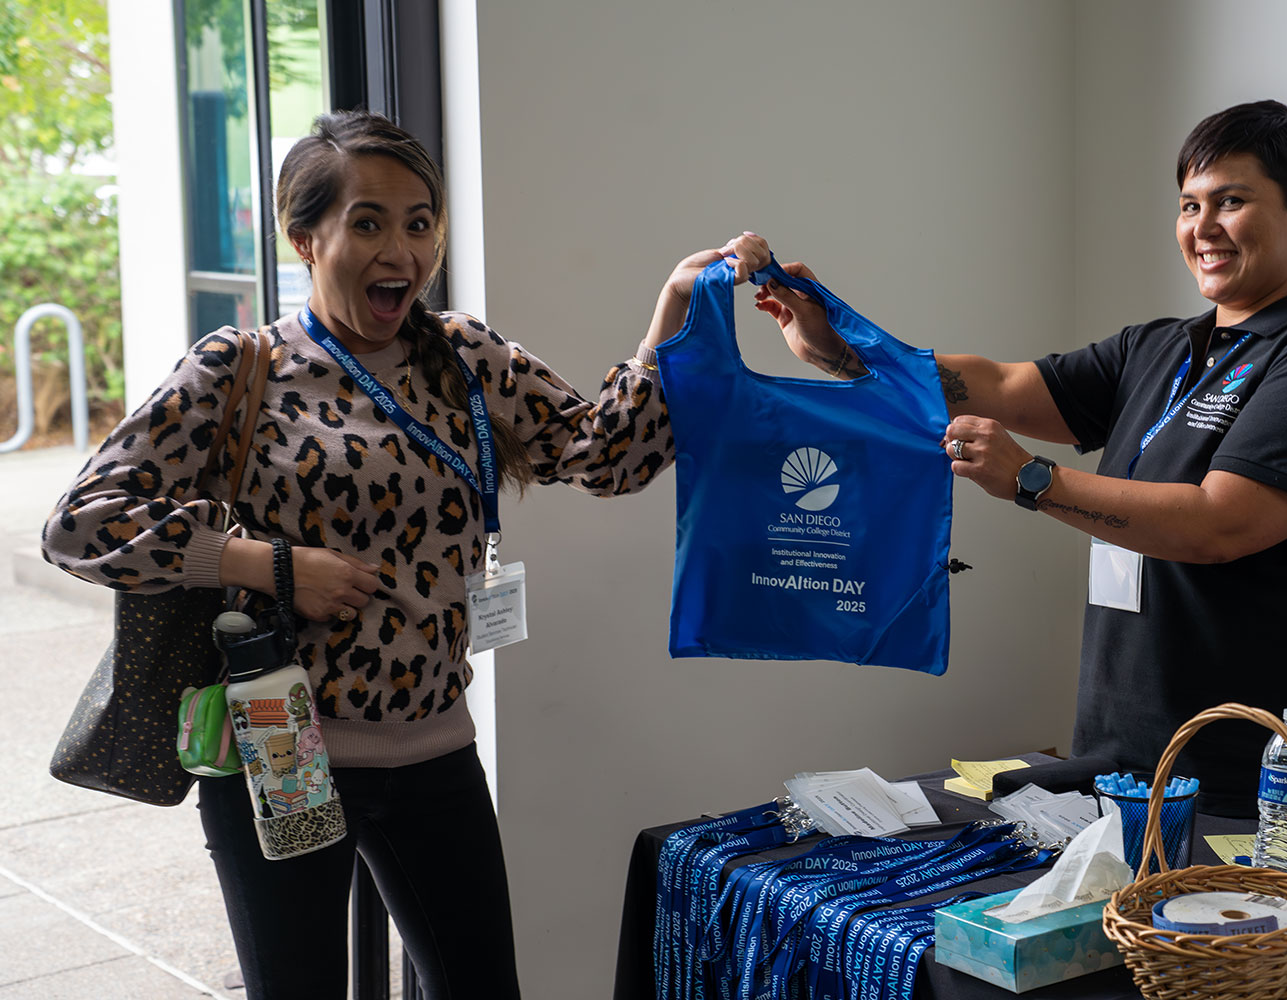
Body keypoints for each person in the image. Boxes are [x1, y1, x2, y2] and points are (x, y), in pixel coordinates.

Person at [40, 109, 771, 998]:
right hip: (284, 747)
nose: (401, 250)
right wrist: (266, 565)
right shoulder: (243, 365)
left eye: (419, 223)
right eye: (368, 222)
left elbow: (607, 457)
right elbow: (79, 523)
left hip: (433, 750)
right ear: (305, 238)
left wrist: (672, 316)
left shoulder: (461, 354)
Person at [756, 99, 1287, 857]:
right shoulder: (1163, 349)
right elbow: (1004, 385)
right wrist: (839, 348)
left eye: (1231, 202)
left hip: (1277, 778)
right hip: (1136, 760)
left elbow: (1220, 525)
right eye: (1188, 205)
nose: (1201, 228)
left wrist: (1034, 482)